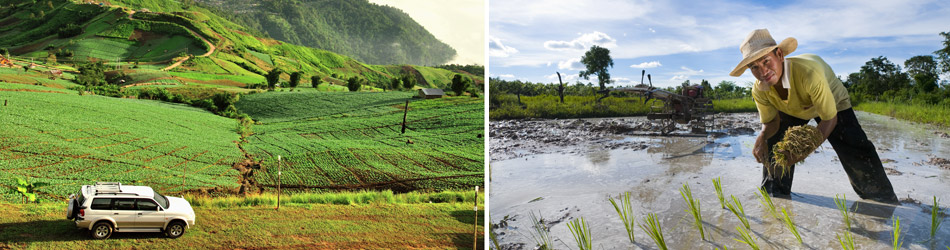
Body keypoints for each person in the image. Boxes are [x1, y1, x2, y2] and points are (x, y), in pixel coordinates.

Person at [730, 29, 898, 204]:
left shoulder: (809, 74)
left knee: (853, 146)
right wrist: (762, 137)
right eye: (754, 67)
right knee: (775, 146)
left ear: (779, 55)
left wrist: (802, 152)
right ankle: (776, 198)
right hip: (792, 108)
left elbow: (829, 119)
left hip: (833, 102)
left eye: (766, 61)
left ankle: (882, 199)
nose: (763, 71)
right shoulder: (759, 89)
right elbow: (771, 122)